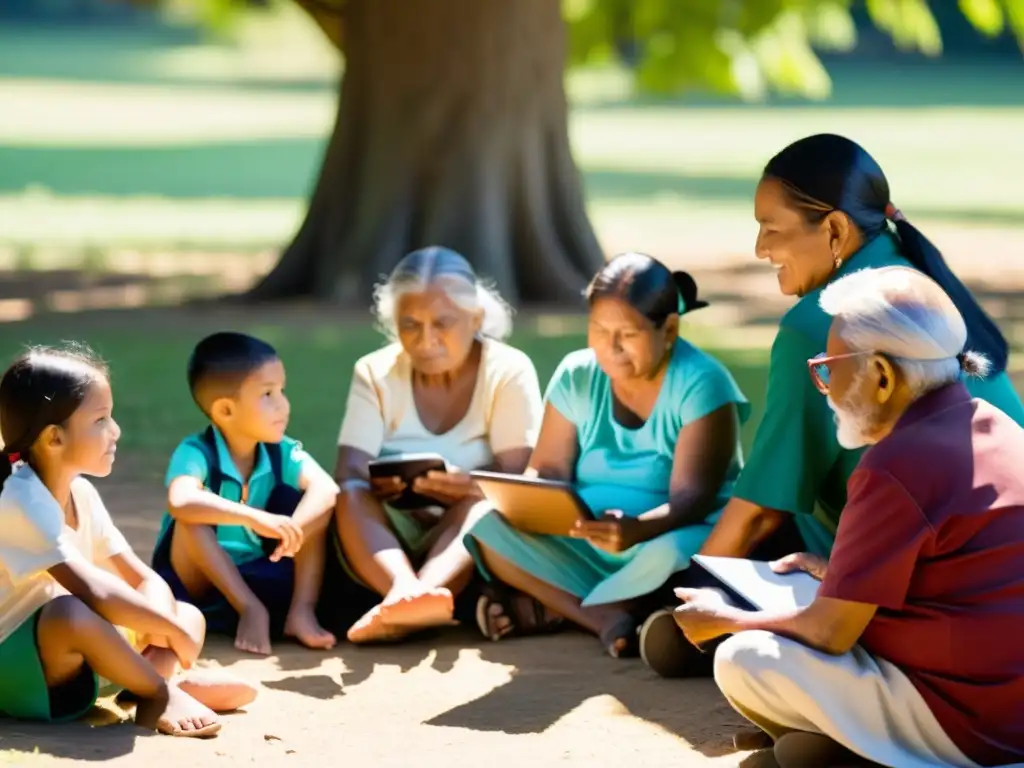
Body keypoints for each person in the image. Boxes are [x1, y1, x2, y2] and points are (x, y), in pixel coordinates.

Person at [641, 132, 1024, 677]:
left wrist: (690, 601)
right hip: (998, 578)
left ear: (836, 229)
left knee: (751, 566)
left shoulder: (816, 327)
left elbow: (759, 512)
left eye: (772, 229)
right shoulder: (917, 284)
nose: (759, 250)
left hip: (925, 583)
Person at [674, 267, 1024, 768]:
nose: (825, 386)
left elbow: (830, 631)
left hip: (971, 724)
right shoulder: (1001, 427)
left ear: (881, 376)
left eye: (829, 368)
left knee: (744, 658)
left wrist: (728, 619)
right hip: (1012, 709)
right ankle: (844, 747)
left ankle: (869, 754)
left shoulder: (896, 463)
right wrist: (837, 569)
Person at [464, 252, 751, 657]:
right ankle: (605, 617)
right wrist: (529, 501)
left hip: (663, 537)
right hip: (585, 537)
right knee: (486, 527)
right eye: (598, 330)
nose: (611, 347)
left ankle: (557, 605)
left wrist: (636, 530)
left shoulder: (703, 383)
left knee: (675, 554)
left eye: (628, 334)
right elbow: (547, 468)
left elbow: (692, 498)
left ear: (668, 330)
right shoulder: (576, 373)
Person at [0, 345, 257, 737]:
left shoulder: (81, 493)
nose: (116, 430)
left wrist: (167, 624)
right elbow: (93, 591)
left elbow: (142, 578)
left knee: (187, 614)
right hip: (19, 667)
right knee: (69, 613)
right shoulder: (20, 500)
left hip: (75, 656)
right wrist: (166, 630)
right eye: (101, 420)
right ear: (53, 438)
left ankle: (146, 686)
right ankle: (158, 692)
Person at [333, 246, 543, 644]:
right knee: (350, 493)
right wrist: (384, 486)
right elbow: (348, 470)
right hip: (388, 530)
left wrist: (466, 485)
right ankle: (404, 593)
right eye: (410, 324)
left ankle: (420, 594)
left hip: (465, 530)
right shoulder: (374, 371)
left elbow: (520, 479)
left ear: (476, 318)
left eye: (442, 323)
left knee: (484, 505)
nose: (426, 340)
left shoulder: (508, 370)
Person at [153, 332, 340, 656]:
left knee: (313, 505)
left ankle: (302, 610)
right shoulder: (196, 452)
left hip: (265, 569)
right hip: (198, 583)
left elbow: (327, 488)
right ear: (225, 410)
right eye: (268, 394)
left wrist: (294, 529)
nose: (283, 404)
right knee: (191, 517)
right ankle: (249, 608)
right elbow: (180, 500)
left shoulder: (282, 452)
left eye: (282, 391)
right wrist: (255, 518)